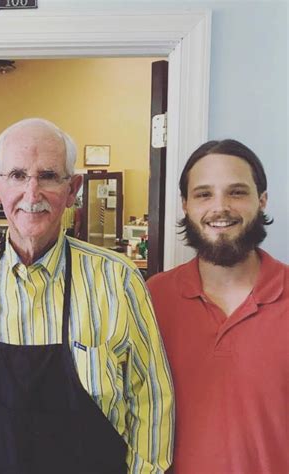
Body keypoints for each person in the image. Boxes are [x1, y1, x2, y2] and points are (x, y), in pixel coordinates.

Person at [0, 118, 174, 474]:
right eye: (16, 175)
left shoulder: (118, 279)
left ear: (73, 188)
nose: (32, 194)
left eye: (48, 176)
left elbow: (152, 400)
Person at [147, 139, 288, 473]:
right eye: (204, 194)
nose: (220, 207)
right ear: (185, 204)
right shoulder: (152, 298)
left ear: (262, 200)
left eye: (237, 192)